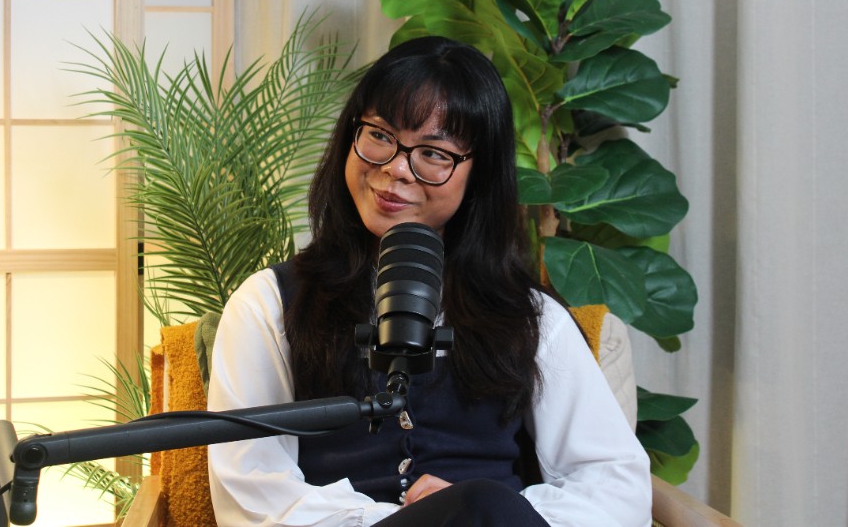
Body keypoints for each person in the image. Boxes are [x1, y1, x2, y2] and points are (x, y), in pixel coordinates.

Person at [207, 36, 652, 526]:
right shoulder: (268, 304)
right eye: (379, 135)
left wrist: (492, 510)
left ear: (477, 176)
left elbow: (617, 489)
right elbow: (250, 496)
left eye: (434, 154)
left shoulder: (530, 317)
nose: (396, 168)